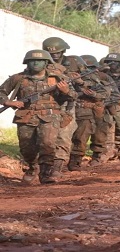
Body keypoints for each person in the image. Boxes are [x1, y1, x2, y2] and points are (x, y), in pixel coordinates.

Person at [0, 50, 77, 184]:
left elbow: (73, 96)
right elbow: (1, 92)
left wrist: (66, 91)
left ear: (46, 62)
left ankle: (46, 173)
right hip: (26, 116)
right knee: (26, 147)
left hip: (50, 116)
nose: (35, 63)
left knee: (48, 144)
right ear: (27, 63)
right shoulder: (18, 78)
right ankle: (32, 166)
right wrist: (8, 102)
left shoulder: (57, 77)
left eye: (39, 61)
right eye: (32, 61)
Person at [42, 36, 78, 177]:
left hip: (66, 103)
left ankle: (57, 167)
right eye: (51, 53)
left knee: (64, 135)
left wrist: (76, 83)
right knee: (44, 139)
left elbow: (85, 83)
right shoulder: (40, 63)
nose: (55, 55)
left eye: (58, 52)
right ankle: (41, 166)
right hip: (45, 105)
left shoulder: (73, 63)